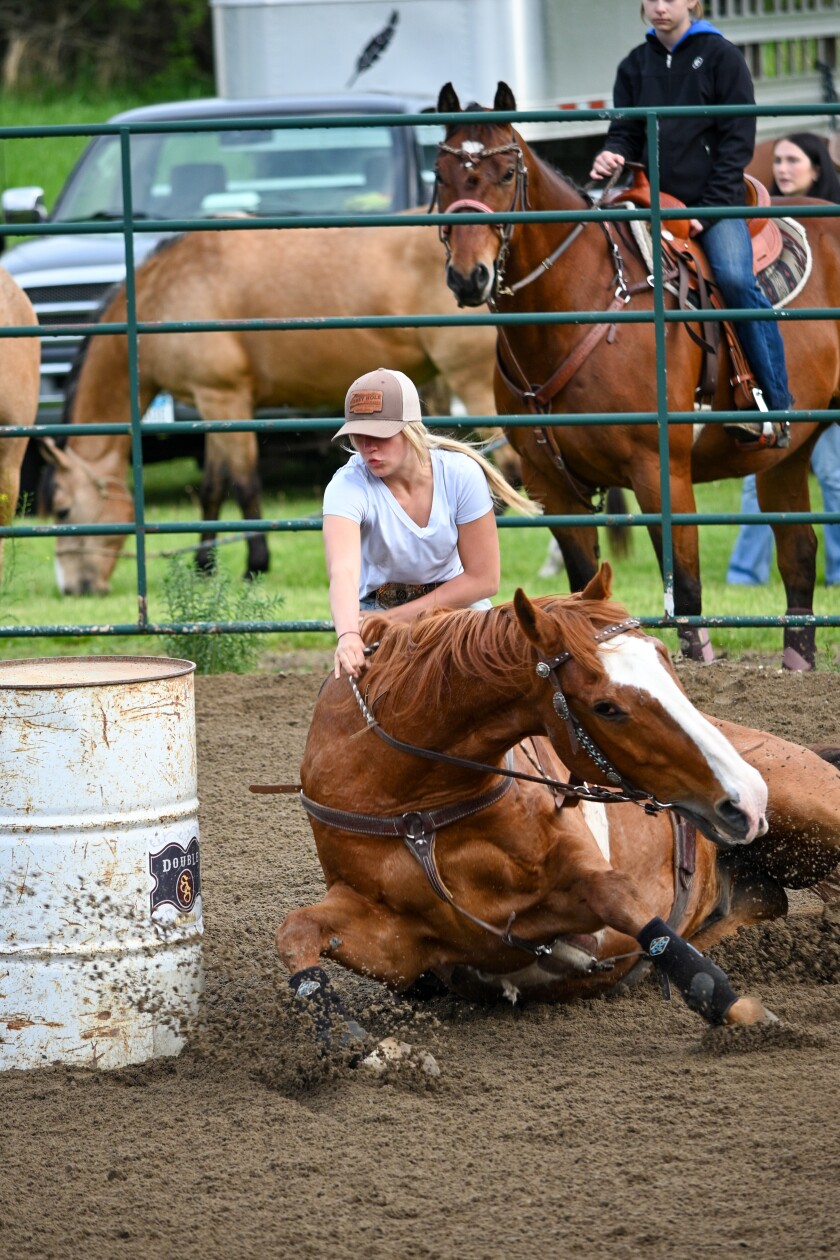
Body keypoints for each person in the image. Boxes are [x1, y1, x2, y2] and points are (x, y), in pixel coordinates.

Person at [590, 0, 793, 449]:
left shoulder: (722, 56)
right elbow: (626, 132)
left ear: (692, 2)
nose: (660, 7)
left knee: (735, 280)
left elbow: (737, 142)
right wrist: (613, 153)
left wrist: (708, 210)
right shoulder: (634, 64)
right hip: (651, 200)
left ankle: (775, 404)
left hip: (714, 204)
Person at [323, 366, 539, 678]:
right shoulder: (347, 486)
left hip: (456, 607)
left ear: (409, 428)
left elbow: (484, 578)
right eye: (358, 435)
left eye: (380, 434)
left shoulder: (461, 474)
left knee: (509, 679)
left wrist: (394, 620)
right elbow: (342, 571)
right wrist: (348, 635)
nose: (368, 446)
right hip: (377, 609)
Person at [727, 133, 840, 586]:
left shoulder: (824, 226)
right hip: (792, 366)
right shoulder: (762, 221)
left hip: (812, 368)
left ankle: (836, 570)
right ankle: (743, 573)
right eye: (777, 161)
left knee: (832, 473)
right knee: (761, 475)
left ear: (817, 168)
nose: (783, 169)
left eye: (794, 160)